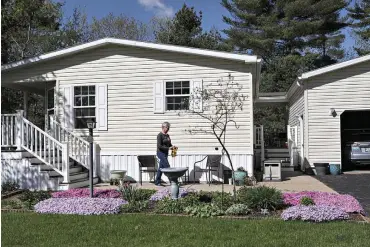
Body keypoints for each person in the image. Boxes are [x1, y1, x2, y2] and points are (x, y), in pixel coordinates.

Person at [155, 122, 176, 186]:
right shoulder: (159, 135)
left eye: (169, 128)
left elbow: (169, 144)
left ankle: (157, 182)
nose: (168, 129)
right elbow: (159, 146)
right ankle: (172, 181)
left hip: (165, 153)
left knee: (161, 168)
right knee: (167, 166)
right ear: (163, 127)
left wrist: (172, 147)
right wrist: (168, 148)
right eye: (167, 127)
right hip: (160, 153)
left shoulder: (167, 136)